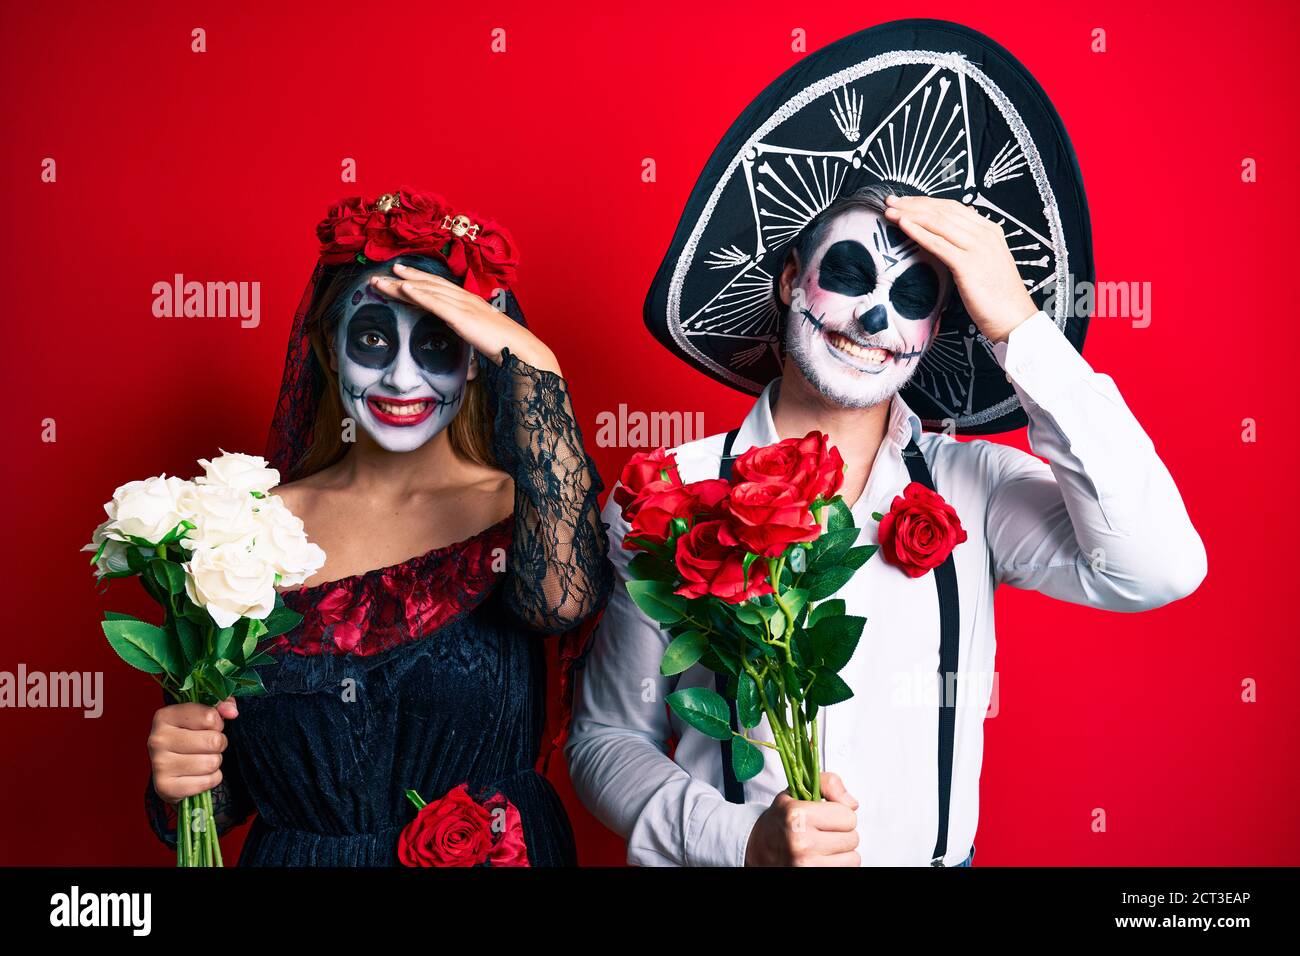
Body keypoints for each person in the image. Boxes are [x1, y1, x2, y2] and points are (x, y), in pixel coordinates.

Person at [565, 21, 1207, 867]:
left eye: (913, 294)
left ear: (941, 324)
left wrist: (1020, 325)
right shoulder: (668, 493)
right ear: (793, 279)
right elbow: (606, 738)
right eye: (851, 275)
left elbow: (1160, 567)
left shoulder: (971, 484)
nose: (876, 319)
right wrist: (739, 840)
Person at [143, 186, 612, 866]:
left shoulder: (527, 516)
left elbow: (561, 602)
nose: (400, 376)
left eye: (437, 343)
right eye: (371, 339)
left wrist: (536, 369)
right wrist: (181, 768)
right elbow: (219, 803)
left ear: (478, 355)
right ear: (329, 352)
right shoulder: (239, 530)